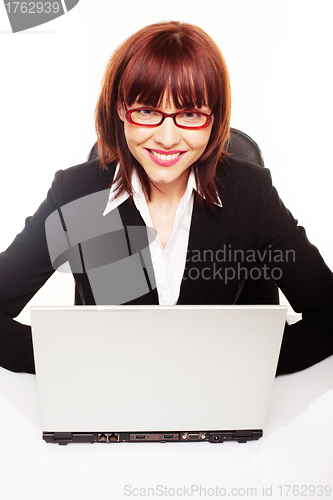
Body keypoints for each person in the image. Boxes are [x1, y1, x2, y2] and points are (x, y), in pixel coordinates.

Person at [0, 21, 332, 375]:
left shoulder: (250, 194)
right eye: (146, 111)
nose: (168, 138)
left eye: (189, 114)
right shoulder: (76, 195)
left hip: (221, 405)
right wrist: (79, 364)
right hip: (115, 403)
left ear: (213, 119)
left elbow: (327, 311)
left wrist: (245, 369)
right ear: (119, 110)